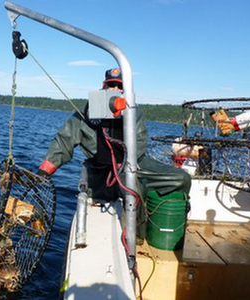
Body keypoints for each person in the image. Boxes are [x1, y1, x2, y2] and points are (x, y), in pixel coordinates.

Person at [37, 68, 191, 238]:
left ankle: (161, 225)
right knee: (131, 188)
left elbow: (140, 142)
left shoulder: (134, 111)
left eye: (120, 86)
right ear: (104, 86)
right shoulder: (86, 114)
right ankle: (137, 238)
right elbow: (63, 140)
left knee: (181, 179)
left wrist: (124, 163)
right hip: (101, 171)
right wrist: (44, 172)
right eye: (112, 85)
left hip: (133, 163)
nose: (115, 90)